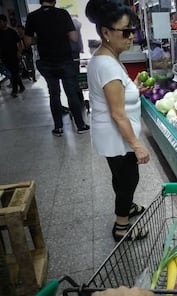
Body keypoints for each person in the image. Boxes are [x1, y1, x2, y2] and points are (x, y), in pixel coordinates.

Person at [85, 0, 150, 242]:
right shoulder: (107, 64)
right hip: (117, 136)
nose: (131, 36)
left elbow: (116, 95)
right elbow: (118, 114)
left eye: (132, 30)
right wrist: (137, 144)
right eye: (125, 31)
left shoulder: (106, 56)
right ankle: (121, 227)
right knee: (128, 180)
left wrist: (133, 89)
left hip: (112, 135)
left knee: (120, 177)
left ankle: (128, 207)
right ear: (106, 32)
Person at [24, 0, 89, 137]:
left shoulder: (32, 16)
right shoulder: (62, 14)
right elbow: (73, 37)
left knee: (54, 94)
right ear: (54, 1)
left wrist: (41, 39)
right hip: (65, 60)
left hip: (47, 62)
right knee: (71, 93)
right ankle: (80, 125)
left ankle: (58, 128)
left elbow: (28, 41)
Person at [0, 14, 25, 97]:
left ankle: (15, 90)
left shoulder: (12, 32)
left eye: (1, 22)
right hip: (4, 57)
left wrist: (19, 52)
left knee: (14, 73)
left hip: (14, 56)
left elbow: (19, 43)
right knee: (14, 73)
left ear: (5, 22)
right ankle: (21, 86)